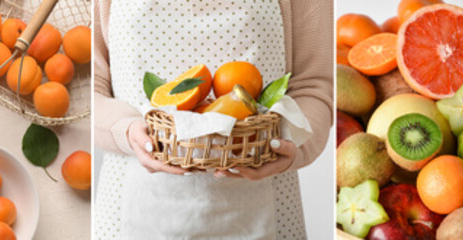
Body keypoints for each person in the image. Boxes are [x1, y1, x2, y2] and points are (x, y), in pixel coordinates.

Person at [91, 0, 333, 238]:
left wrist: (295, 150)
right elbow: (90, 88)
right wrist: (125, 131)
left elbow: (314, 86)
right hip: (129, 209)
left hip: (266, 208)